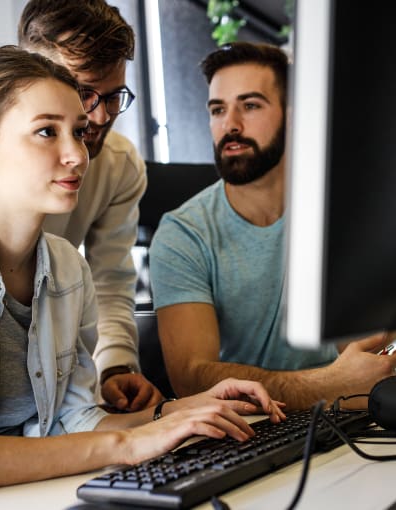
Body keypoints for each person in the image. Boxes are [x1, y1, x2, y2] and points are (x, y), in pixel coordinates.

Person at [0, 45, 286, 506]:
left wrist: (184, 409)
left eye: (77, 132)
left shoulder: (65, 265)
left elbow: (74, 423)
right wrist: (128, 445)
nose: (77, 153)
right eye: (46, 132)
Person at [149, 42, 396, 411]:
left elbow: (367, 348)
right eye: (218, 109)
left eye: (250, 105)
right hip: (251, 426)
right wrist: (328, 385)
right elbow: (190, 378)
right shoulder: (182, 234)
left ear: (292, 115)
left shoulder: (343, 213)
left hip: (353, 417)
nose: (230, 124)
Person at [16, 0, 161, 412]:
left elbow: (110, 282)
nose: (99, 117)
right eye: (83, 93)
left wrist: (114, 366)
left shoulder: (119, 164)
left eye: (114, 96)